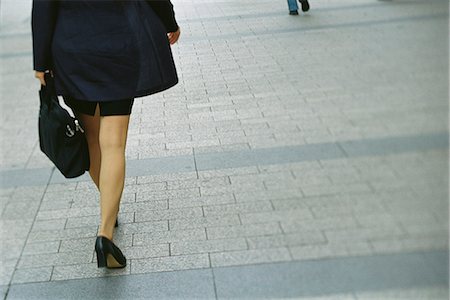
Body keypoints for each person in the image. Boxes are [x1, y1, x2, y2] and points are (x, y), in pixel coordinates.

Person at [31, 0, 181, 269]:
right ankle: (105, 234)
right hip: (121, 43)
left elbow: (44, 5)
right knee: (113, 144)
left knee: (92, 138)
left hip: (73, 49)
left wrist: (40, 61)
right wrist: (169, 22)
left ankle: (108, 205)